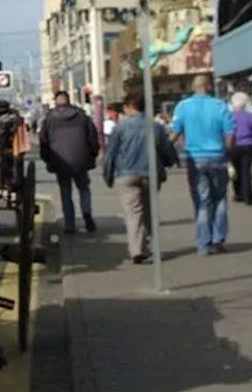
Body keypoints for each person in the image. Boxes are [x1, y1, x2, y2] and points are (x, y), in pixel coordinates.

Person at [103, 87, 179, 263]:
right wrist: (167, 163)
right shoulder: (156, 127)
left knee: (133, 213)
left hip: (126, 175)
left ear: (130, 106)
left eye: (125, 106)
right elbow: (167, 150)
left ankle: (137, 249)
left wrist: (108, 175)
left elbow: (111, 154)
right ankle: (150, 246)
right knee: (149, 211)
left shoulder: (120, 127)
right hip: (150, 173)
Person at [170, 74, 236, 256]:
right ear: (208, 87)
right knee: (220, 198)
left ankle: (203, 244)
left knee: (202, 201)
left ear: (194, 87)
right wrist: (227, 152)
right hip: (217, 157)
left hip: (195, 158)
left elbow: (174, 132)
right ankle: (218, 238)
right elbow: (230, 133)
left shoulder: (183, 107)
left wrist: (166, 152)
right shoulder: (220, 106)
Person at [40, 90, 101, 234]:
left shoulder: (49, 119)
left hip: (60, 161)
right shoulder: (81, 116)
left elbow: (44, 141)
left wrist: (48, 158)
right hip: (81, 159)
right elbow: (92, 137)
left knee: (65, 191)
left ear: (56, 101)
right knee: (84, 188)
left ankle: (69, 224)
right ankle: (87, 213)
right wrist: (92, 154)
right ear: (69, 100)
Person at [229, 91, 252, 204]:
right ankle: (248, 196)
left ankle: (238, 194)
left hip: (234, 146)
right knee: (246, 171)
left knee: (236, 171)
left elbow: (226, 133)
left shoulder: (229, 117)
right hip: (248, 145)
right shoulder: (251, 117)